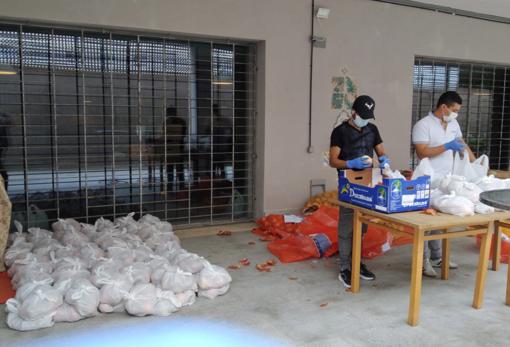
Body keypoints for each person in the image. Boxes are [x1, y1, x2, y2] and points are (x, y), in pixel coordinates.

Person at [329, 95, 390, 288]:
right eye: (362, 116)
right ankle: (345, 267)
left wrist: (385, 160)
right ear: (353, 112)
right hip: (348, 183)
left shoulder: (372, 130)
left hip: (368, 182)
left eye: (368, 117)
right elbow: (333, 160)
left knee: (362, 226)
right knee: (347, 226)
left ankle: (358, 262)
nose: (364, 120)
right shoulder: (340, 132)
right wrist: (350, 163)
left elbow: (381, 152)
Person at [412, 91, 475, 277]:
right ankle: (422, 262)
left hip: (447, 179)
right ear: (444, 107)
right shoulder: (423, 125)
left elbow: (461, 143)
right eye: (454, 110)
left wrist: (475, 163)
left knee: (440, 220)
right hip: (427, 180)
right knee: (426, 221)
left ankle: (437, 257)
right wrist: (447, 146)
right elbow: (422, 152)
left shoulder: (453, 123)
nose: (456, 114)